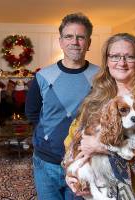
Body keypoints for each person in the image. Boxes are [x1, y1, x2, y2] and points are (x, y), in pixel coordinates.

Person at [64, 33, 135, 200]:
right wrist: (73, 174)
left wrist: (102, 146)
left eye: (129, 57)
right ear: (107, 61)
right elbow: (74, 136)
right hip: (92, 189)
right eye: (115, 56)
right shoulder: (98, 93)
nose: (122, 63)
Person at [25, 13, 99, 200]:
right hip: (46, 161)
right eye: (69, 36)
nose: (74, 42)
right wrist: (50, 137)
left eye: (80, 37)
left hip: (84, 161)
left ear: (88, 43)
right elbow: (31, 112)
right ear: (60, 42)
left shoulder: (101, 77)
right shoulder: (43, 76)